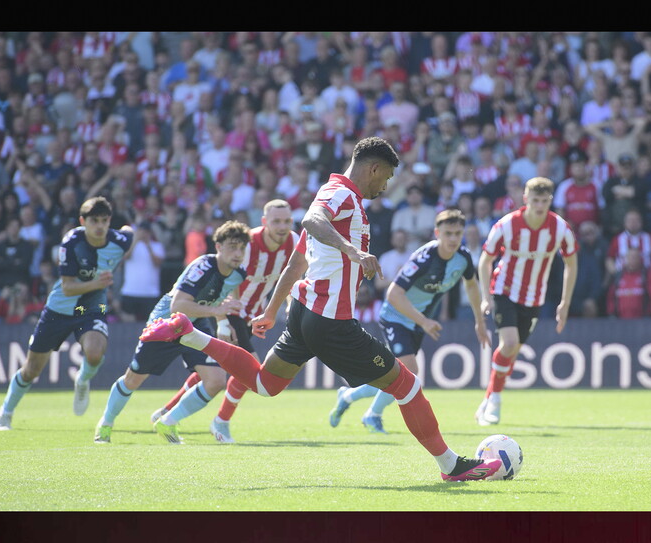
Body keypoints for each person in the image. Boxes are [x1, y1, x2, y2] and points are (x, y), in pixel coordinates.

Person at [140, 137, 504, 481]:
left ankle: (190, 334)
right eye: (388, 177)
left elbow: (297, 262)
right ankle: (451, 465)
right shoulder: (339, 194)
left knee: (265, 385)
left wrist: (270, 310)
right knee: (407, 387)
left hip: (302, 311)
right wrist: (353, 251)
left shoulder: (342, 199)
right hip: (331, 321)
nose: (386, 186)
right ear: (375, 169)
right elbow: (311, 221)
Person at [148, 200, 300, 443]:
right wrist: (224, 320)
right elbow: (225, 278)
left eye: (286, 221)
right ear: (264, 222)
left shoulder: (294, 242)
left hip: (254, 316)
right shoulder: (248, 244)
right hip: (231, 312)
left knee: (216, 370)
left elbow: (293, 278)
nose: (282, 226)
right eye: (276, 221)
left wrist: (290, 307)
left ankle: (167, 411)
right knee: (253, 371)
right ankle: (221, 421)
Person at [329, 209, 491, 433]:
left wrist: (479, 322)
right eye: (448, 233)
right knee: (410, 372)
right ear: (437, 233)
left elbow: (472, 285)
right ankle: (372, 415)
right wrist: (424, 321)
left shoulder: (462, 258)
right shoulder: (424, 259)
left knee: (394, 375)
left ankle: (348, 395)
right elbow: (394, 294)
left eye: (457, 233)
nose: (453, 239)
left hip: (417, 321)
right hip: (395, 316)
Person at [92, 220, 250, 444]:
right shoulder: (202, 267)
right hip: (166, 324)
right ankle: (105, 424)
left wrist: (224, 323)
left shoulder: (238, 274)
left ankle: (168, 422)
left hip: (195, 324)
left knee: (215, 380)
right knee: (133, 379)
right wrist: (217, 311)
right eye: (232, 247)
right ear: (218, 247)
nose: (238, 253)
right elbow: (178, 306)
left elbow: (226, 299)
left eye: (242, 248)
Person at [0, 197, 135, 431]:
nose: (99, 226)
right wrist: (99, 282)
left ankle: (82, 380)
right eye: (94, 221)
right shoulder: (71, 242)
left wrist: (115, 263)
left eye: (104, 221)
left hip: (91, 308)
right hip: (59, 309)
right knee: (31, 370)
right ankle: (6, 411)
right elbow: (68, 287)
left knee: (94, 353)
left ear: (109, 221)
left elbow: (130, 232)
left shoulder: (119, 241)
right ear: (83, 221)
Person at [476, 177, 578, 425]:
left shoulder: (560, 228)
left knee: (512, 352)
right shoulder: (507, 225)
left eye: (544, 201)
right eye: (535, 200)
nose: (540, 206)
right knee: (509, 344)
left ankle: (488, 399)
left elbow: (571, 264)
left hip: (534, 297)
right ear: (525, 199)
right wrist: (486, 297)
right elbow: (485, 261)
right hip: (504, 290)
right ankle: (496, 402)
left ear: (550, 200)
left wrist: (565, 303)